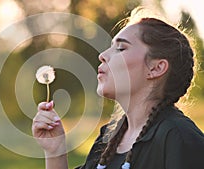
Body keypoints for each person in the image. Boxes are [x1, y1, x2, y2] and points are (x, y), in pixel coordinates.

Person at [32, 7, 204, 169]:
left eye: (121, 48)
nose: (103, 55)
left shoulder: (180, 139)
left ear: (156, 68)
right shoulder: (108, 138)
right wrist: (55, 150)